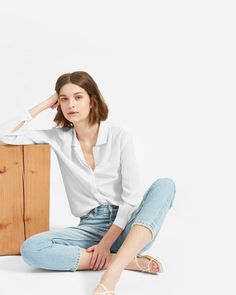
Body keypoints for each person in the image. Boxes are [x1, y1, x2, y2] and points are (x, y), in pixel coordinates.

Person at [0, 71, 176, 295]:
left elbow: (131, 199)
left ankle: (112, 274)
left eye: (78, 97)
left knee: (165, 185)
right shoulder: (58, 138)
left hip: (130, 228)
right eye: (64, 99)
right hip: (90, 229)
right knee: (31, 249)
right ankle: (124, 260)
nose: (71, 104)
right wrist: (45, 104)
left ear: (92, 100)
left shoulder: (119, 135)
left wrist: (106, 243)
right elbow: (4, 134)